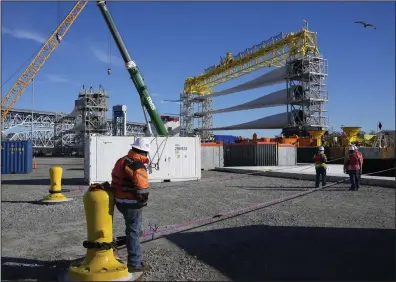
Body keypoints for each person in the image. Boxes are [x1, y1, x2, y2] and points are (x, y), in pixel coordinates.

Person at [111, 137, 151, 273]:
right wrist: (142, 202)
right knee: (134, 231)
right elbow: (142, 189)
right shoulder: (137, 165)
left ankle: (126, 249)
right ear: (144, 152)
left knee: (131, 229)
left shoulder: (121, 160)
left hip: (119, 201)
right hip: (131, 203)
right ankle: (134, 263)